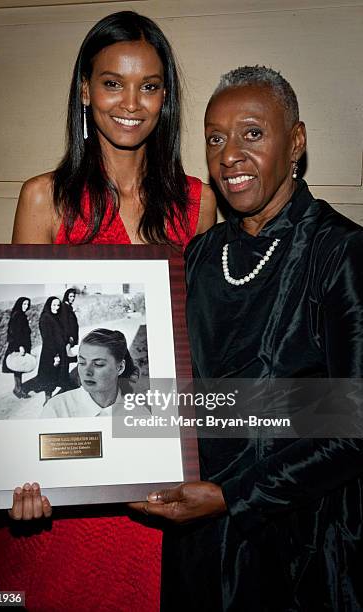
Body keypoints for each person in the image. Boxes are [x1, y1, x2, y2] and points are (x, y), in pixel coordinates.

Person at [0, 10, 216, 612]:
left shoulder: (198, 205)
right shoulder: (45, 199)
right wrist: (8, 466)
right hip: (58, 501)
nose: (130, 102)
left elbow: (193, 351)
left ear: (165, 97)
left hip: (153, 493)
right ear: (85, 91)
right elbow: (29, 330)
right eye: (112, 83)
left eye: (149, 86)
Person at [131, 66, 363, 611]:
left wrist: (232, 496)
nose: (229, 154)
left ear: (297, 142)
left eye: (252, 134)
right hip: (200, 538)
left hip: (300, 544)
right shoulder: (201, 256)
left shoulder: (342, 254)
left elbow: (352, 424)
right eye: (216, 137)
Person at [41, 328, 138, 418]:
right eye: (82, 362)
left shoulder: (138, 415)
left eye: (98, 364)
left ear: (120, 367)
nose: (87, 372)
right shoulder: (55, 410)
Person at [36, 296, 69, 405]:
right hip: (51, 352)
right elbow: (47, 338)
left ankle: (56, 398)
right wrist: (55, 356)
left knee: (58, 374)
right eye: (54, 305)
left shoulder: (56, 316)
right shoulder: (45, 318)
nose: (57, 307)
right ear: (49, 305)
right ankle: (48, 400)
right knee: (49, 375)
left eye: (58, 305)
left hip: (60, 350)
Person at [2, 297, 32, 399]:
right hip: (18, 346)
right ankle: (18, 389)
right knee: (18, 368)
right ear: (20, 304)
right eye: (24, 304)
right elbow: (15, 333)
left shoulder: (20, 315)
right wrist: (20, 346)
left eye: (27, 304)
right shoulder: (18, 316)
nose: (26, 306)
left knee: (19, 368)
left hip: (21, 345)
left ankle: (18, 388)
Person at [59, 288, 79, 353]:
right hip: (69, 336)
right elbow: (65, 323)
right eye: (70, 296)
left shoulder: (68, 306)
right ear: (66, 296)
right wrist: (69, 336)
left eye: (73, 296)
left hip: (72, 335)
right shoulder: (64, 307)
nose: (72, 298)